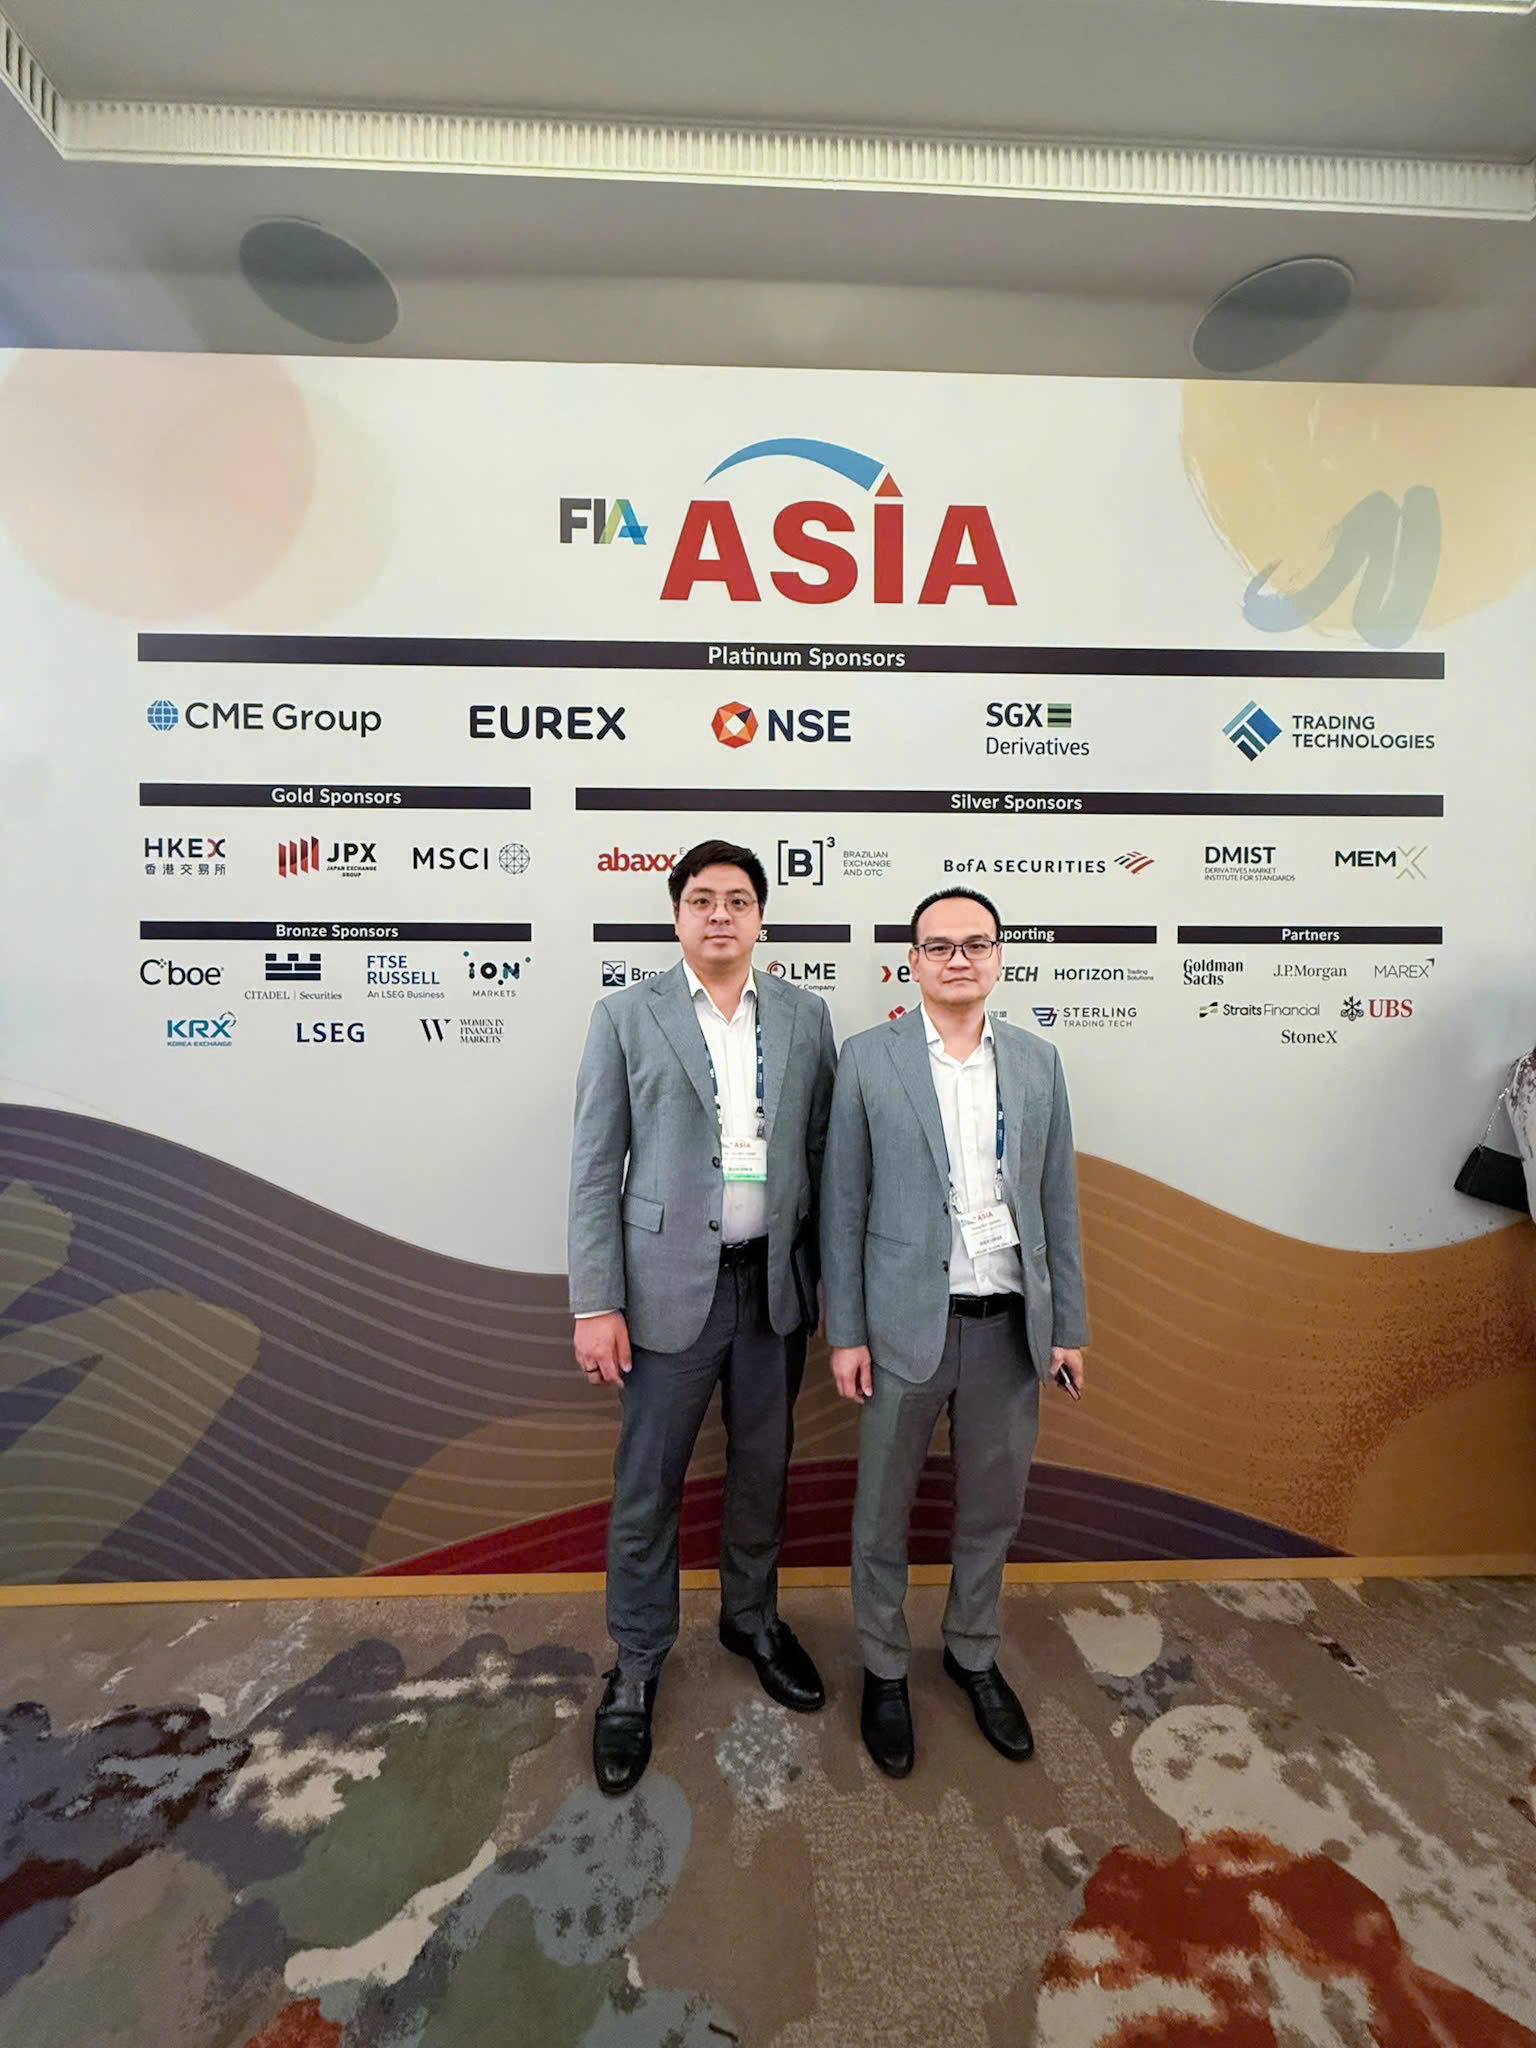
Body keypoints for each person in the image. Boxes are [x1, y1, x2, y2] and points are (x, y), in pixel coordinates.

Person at [569, 838, 838, 1794]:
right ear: (678, 915)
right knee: (648, 1485)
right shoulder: (625, 1016)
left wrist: (831, 1291)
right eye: (701, 899)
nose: (720, 914)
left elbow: (823, 1158)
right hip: (662, 1294)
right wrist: (597, 1301)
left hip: (772, 1291)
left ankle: (751, 1619)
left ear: (760, 917)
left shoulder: (805, 1016)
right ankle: (637, 1663)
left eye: (737, 900)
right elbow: (595, 1168)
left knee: (763, 1470)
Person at [820, 886, 1088, 1778]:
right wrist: (846, 1331)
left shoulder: (1039, 1063)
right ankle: (884, 1668)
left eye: (976, 943)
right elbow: (843, 1205)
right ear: (914, 963)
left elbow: (1057, 1203)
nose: (959, 959)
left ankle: (973, 1653)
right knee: (879, 1516)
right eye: (939, 946)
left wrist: (1067, 1325)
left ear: (1000, 956)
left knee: (991, 1511)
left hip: (1008, 1328)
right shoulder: (868, 1059)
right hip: (902, 1330)